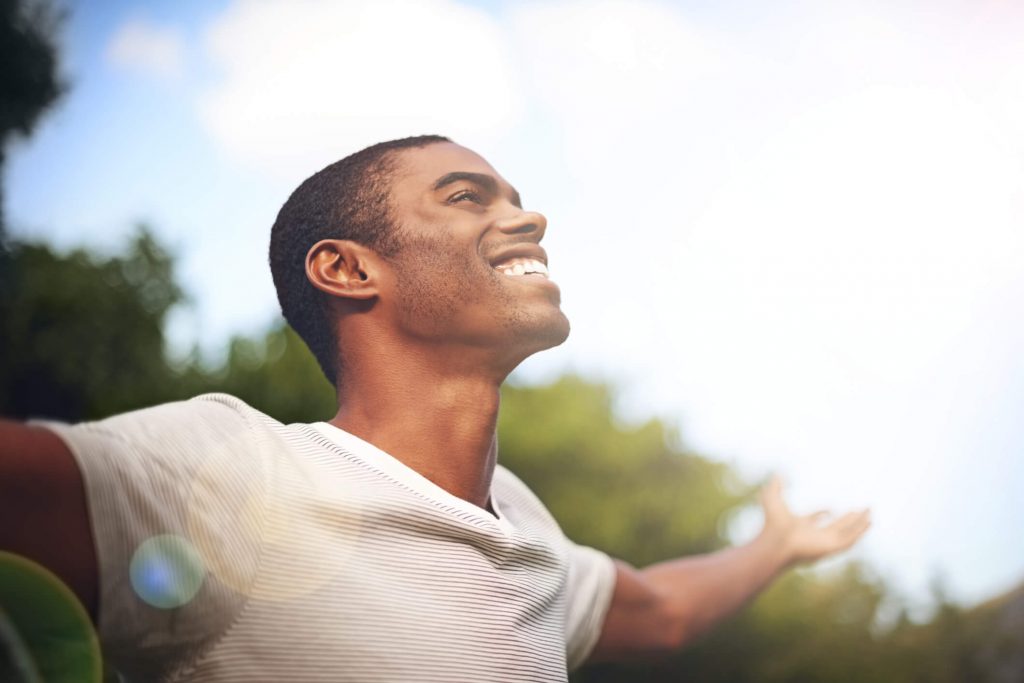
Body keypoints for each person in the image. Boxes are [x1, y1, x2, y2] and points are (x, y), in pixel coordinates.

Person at [0, 135, 871, 681]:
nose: (527, 217)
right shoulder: (232, 473)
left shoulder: (521, 524)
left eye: (515, 196)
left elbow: (666, 611)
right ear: (347, 269)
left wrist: (777, 546)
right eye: (467, 196)